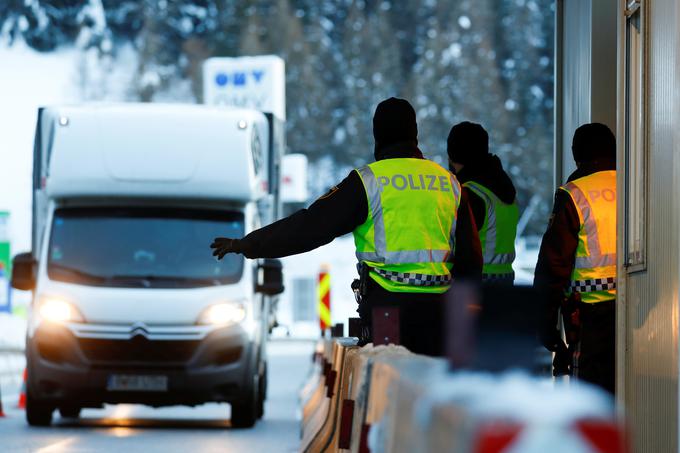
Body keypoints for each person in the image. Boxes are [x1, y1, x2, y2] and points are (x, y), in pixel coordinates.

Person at [211, 98, 482, 356]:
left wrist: (248, 244)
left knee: (383, 391)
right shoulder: (449, 183)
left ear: (378, 135)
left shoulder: (369, 181)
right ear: (414, 134)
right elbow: (471, 259)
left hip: (386, 313)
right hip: (439, 314)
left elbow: (310, 226)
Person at [534, 123, 616, 394]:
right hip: (637, 311)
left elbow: (553, 264)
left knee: (592, 399)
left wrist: (546, 326)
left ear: (576, 154)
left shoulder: (574, 193)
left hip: (591, 317)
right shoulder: (634, 185)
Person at [447, 121, 519, 283]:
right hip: (505, 282)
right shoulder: (504, 191)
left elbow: (453, 245)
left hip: (475, 286)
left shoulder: (470, 195)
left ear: (453, 156)